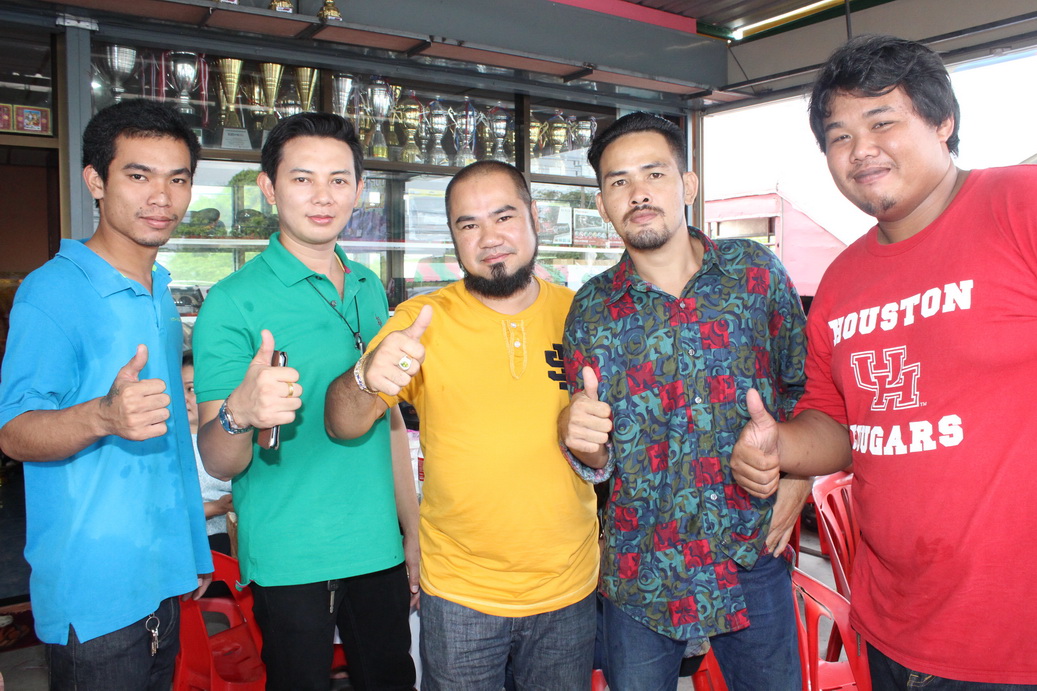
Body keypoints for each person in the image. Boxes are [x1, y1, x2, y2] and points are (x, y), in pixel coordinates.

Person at [731, 34, 1037, 688]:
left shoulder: (1019, 203)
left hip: (1015, 640)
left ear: (942, 121)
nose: (859, 149)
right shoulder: (842, 280)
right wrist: (779, 446)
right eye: (838, 136)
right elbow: (837, 426)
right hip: (892, 624)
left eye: (881, 121)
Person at [324, 160, 599, 690]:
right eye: (468, 224)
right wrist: (364, 377)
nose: (489, 238)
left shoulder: (584, 314)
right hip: (459, 593)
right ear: (453, 236)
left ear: (534, 216)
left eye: (504, 216)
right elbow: (343, 425)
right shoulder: (420, 320)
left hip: (569, 588)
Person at [560, 112, 810, 691]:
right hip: (641, 564)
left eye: (654, 173)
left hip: (750, 547)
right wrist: (582, 441)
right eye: (619, 181)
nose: (638, 193)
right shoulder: (591, 309)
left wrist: (800, 478)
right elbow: (596, 458)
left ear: (688, 184)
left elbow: (806, 386)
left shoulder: (754, 274)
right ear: (602, 204)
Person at [191, 111, 417, 691]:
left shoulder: (368, 286)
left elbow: (388, 417)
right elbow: (219, 459)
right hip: (290, 555)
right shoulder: (232, 301)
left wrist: (412, 531)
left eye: (339, 180)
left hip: (377, 547)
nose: (323, 196)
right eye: (302, 178)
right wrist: (240, 413)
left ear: (359, 190)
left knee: (393, 680)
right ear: (268, 188)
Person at [0, 99, 213, 689]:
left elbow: (171, 443)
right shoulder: (52, 291)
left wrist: (192, 549)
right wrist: (103, 415)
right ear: (95, 181)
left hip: (162, 576)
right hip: (93, 596)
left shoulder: (159, 289)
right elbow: (13, 432)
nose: (161, 197)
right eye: (138, 175)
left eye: (178, 180)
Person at [182, 351, 234, 555]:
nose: (183, 397)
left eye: (191, 389)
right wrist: (216, 507)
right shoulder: (162, 448)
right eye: (177, 389)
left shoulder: (235, 439)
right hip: (191, 544)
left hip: (233, 540)